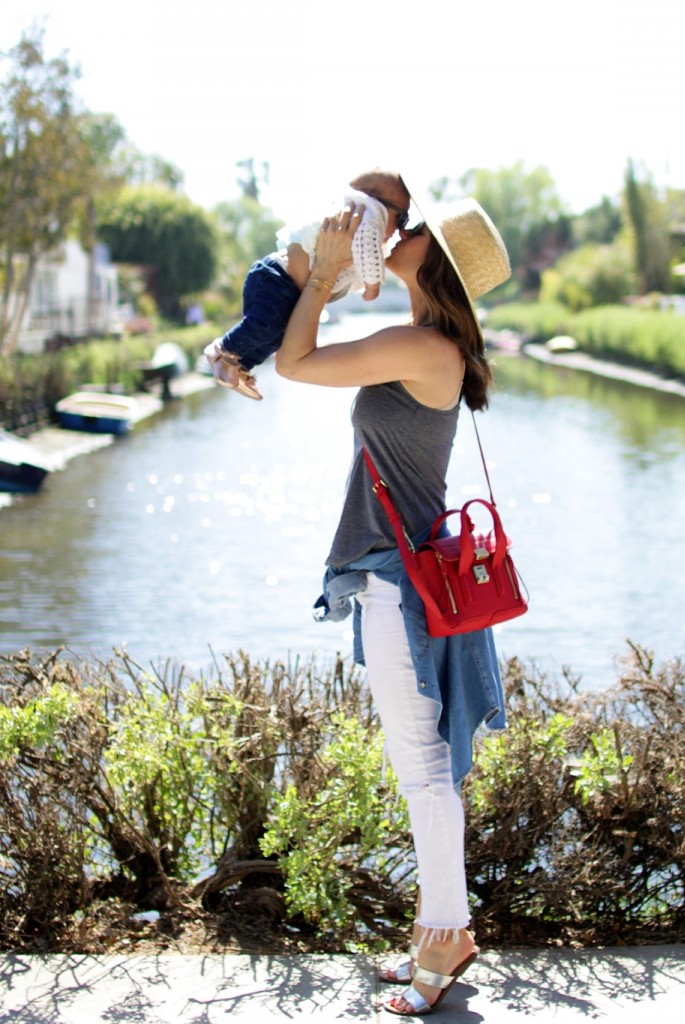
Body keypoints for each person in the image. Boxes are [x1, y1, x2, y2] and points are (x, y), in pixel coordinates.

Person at [275, 195, 511, 1016]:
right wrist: (338, 274)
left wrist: (328, 274)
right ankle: (435, 927)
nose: (399, 235)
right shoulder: (426, 343)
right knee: (422, 766)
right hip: (401, 580)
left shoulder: (420, 346)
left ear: (433, 263)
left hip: (399, 588)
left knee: (423, 770)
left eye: (415, 233)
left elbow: (295, 363)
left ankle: (446, 933)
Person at [204, 169, 411, 400]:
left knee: (276, 335)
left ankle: (240, 366)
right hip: (276, 279)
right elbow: (370, 254)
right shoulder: (368, 212)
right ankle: (221, 349)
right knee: (265, 326)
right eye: (402, 218)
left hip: (286, 288)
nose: (401, 230)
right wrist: (373, 287)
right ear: (376, 200)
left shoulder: (356, 216)